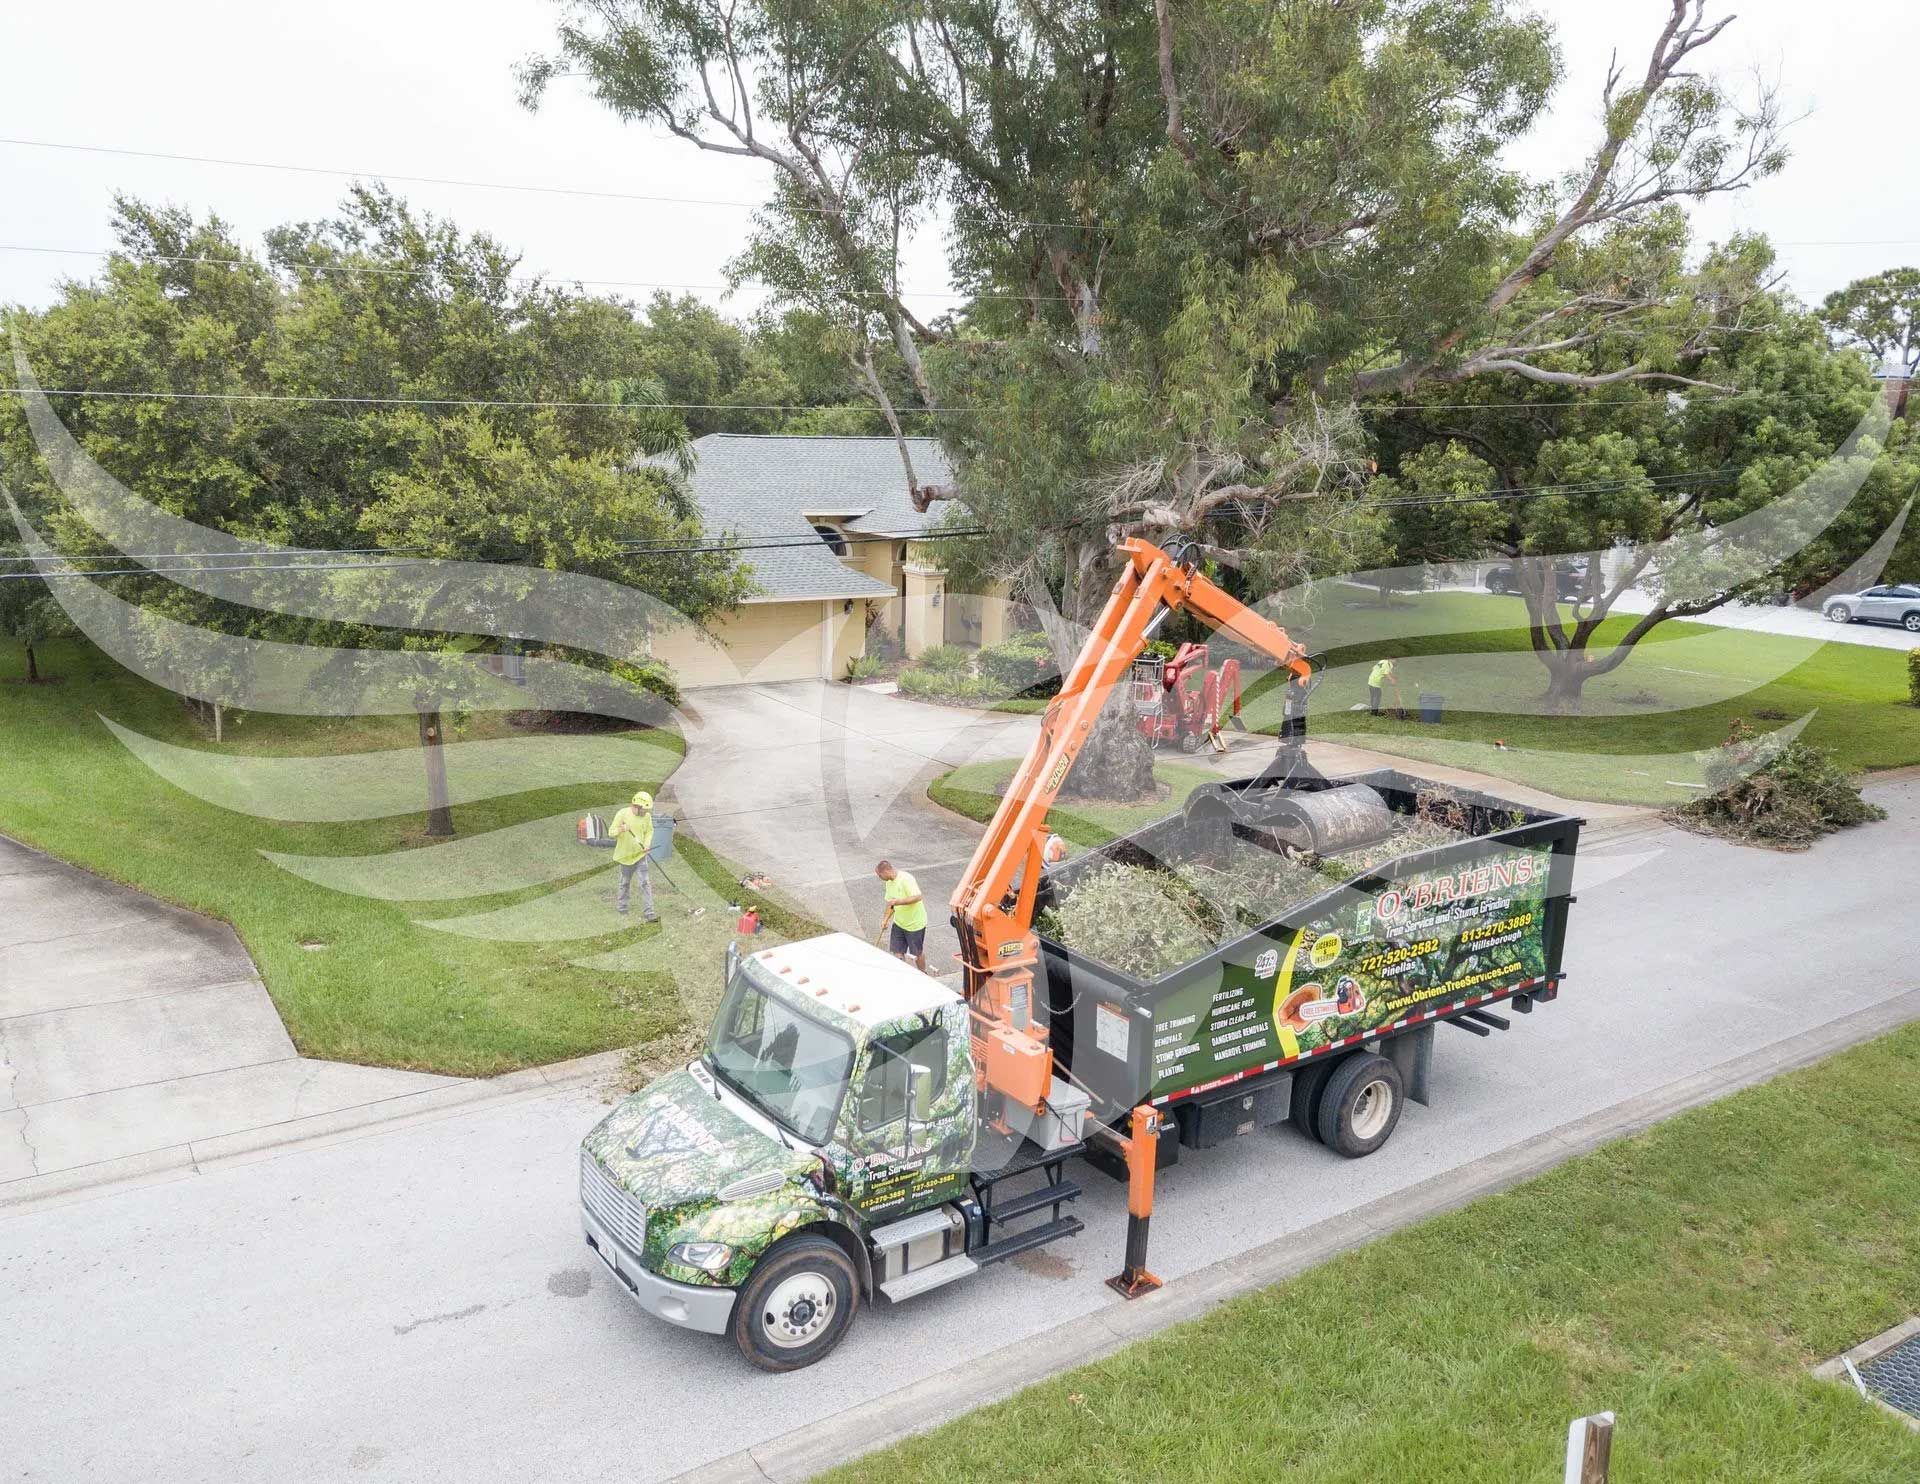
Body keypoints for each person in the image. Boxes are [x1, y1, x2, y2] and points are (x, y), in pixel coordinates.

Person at [611, 790, 659, 921]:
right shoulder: (622, 814)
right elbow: (611, 832)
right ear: (637, 806)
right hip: (625, 856)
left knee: (645, 882)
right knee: (624, 883)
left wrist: (647, 844)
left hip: (640, 856)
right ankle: (622, 908)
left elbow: (649, 831)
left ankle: (649, 912)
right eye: (644, 810)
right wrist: (621, 829)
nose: (646, 812)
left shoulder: (647, 817)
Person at [875, 859, 929, 973]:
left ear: (886, 872)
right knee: (897, 951)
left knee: (917, 953)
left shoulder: (906, 879)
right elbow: (890, 903)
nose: (880, 878)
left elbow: (918, 897)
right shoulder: (889, 883)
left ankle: (923, 973)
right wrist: (885, 919)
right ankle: (902, 973)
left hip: (915, 924)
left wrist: (898, 902)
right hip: (899, 923)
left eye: (880, 875)